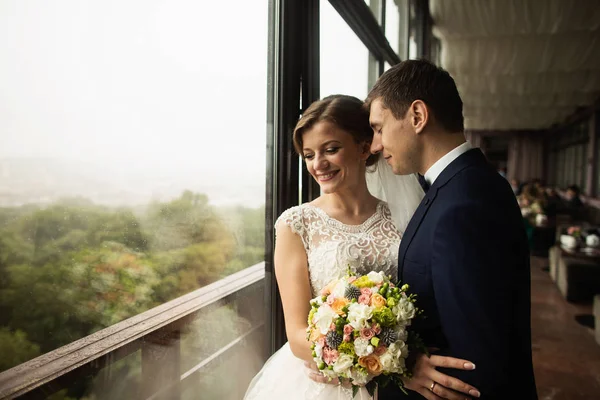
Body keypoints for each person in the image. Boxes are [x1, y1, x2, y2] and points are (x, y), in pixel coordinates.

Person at [244, 95, 480, 399]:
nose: (318, 164)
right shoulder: (296, 224)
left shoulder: (403, 217)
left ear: (364, 147)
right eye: (309, 154)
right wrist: (395, 367)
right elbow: (297, 335)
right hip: (327, 384)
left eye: (331, 149)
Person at [365, 59, 537, 399]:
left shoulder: (463, 207)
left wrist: (405, 364)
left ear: (417, 116)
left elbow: (478, 361)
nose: (374, 145)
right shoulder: (467, 185)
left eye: (379, 128)